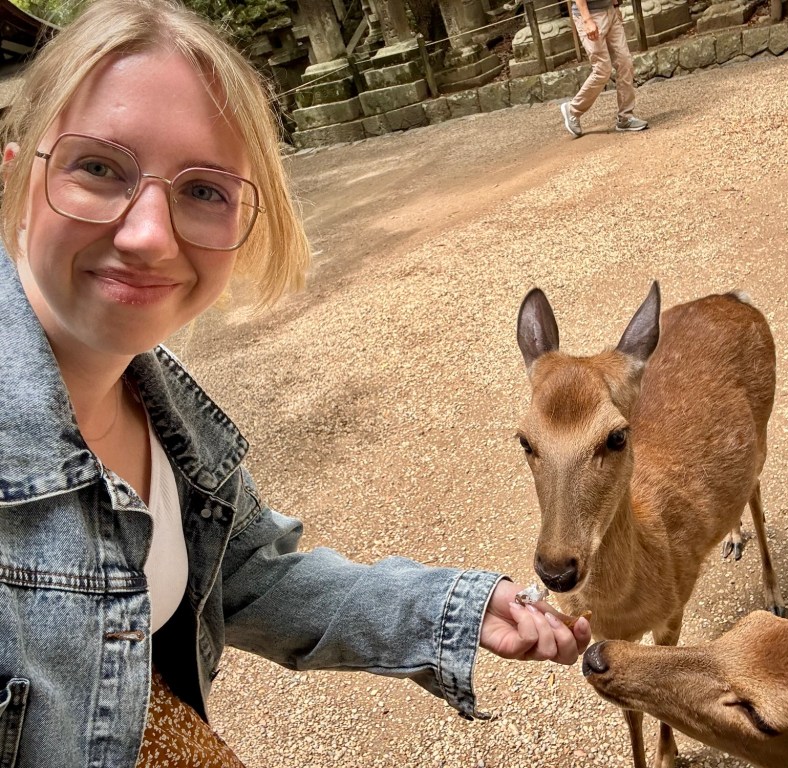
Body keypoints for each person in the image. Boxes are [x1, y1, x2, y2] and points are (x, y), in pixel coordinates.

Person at [0, 1, 591, 765]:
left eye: (204, 190)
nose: (148, 235)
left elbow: (246, 573)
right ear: (15, 174)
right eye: (98, 167)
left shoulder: (159, 399)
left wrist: (453, 608)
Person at [560, 0, 649, 137]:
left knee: (625, 62)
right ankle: (573, 109)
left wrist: (615, 5)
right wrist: (587, 20)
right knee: (602, 69)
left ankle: (625, 117)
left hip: (609, 10)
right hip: (589, 15)